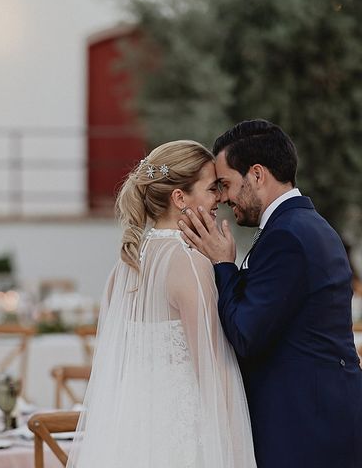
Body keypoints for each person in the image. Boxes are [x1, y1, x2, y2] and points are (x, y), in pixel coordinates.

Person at [179, 119, 362, 468]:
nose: (223, 197)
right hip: (322, 418)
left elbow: (247, 333)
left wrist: (223, 265)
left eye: (226, 184)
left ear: (257, 174)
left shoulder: (287, 236)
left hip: (305, 430)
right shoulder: (305, 225)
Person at [67, 140, 256, 468]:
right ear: (180, 198)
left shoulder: (125, 265)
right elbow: (212, 367)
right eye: (212, 189)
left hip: (131, 433)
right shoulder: (189, 263)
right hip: (183, 436)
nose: (220, 200)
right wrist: (237, 450)